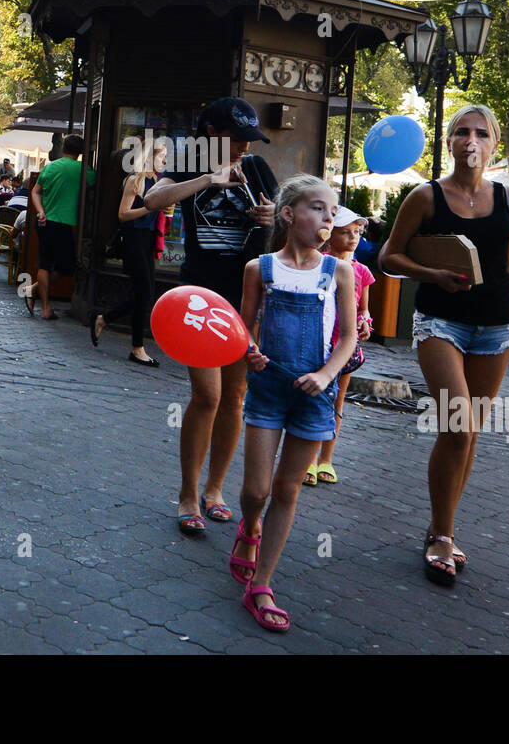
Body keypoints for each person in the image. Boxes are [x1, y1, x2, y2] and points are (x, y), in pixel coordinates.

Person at [379, 104, 509, 587]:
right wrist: (432, 274)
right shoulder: (425, 197)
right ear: (448, 142)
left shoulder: (508, 198)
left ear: (493, 144)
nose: (471, 140)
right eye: (462, 132)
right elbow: (389, 255)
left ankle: (440, 527)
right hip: (440, 323)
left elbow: (508, 265)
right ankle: (442, 536)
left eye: (481, 133)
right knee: (458, 423)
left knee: (468, 434)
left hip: (495, 328)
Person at [141, 96, 277, 532]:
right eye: (237, 139)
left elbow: (290, 222)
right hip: (199, 297)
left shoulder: (256, 169)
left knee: (235, 397)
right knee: (208, 396)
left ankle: (215, 490)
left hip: (246, 299)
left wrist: (274, 217)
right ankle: (187, 494)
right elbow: (152, 199)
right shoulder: (190, 159)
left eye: (248, 140)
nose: (243, 147)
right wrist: (206, 179)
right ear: (213, 134)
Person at [230, 174, 356, 632]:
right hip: (267, 390)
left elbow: (349, 336)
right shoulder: (259, 268)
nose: (328, 219)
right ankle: (249, 527)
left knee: (287, 490)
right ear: (288, 214)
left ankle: (261, 584)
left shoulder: (338, 271)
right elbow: (243, 328)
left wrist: (326, 375)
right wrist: (250, 349)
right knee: (256, 491)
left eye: (332, 212)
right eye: (318, 209)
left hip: (313, 398)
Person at [305, 205, 374, 486]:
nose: (353, 237)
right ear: (328, 234)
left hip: (345, 345)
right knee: (311, 398)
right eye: (346, 232)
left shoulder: (362, 272)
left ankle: (326, 459)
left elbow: (364, 309)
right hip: (317, 342)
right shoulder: (317, 264)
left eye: (357, 232)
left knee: (337, 400)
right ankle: (307, 459)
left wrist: (366, 322)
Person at [89, 139, 168, 366]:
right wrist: (149, 207)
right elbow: (123, 215)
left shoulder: (158, 180)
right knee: (144, 294)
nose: (165, 160)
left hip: (147, 241)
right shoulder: (136, 180)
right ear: (149, 157)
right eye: (162, 155)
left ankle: (104, 319)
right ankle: (137, 348)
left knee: (145, 295)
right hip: (133, 240)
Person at [28, 133, 96, 320]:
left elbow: (35, 192)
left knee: (45, 263)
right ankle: (36, 294)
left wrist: (40, 211)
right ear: (81, 152)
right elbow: (96, 186)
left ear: (64, 148)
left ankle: (44, 305)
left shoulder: (51, 167)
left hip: (44, 221)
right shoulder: (84, 171)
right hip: (64, 224)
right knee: (67, 268)